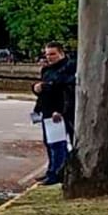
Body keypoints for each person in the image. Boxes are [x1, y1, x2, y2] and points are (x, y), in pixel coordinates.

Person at [33, 42, 77, 186]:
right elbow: (44, 88)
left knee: (58, 144)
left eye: (52, 54)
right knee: (49, 143)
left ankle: (58, 173)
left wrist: (61, 110)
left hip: (60, 112)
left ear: (61, 53)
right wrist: (36, 88)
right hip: (47, 110)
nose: (49, 57)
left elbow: (67, 88)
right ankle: (51, 171)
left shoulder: (70, 67)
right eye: (47, 54)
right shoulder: (47, 70)